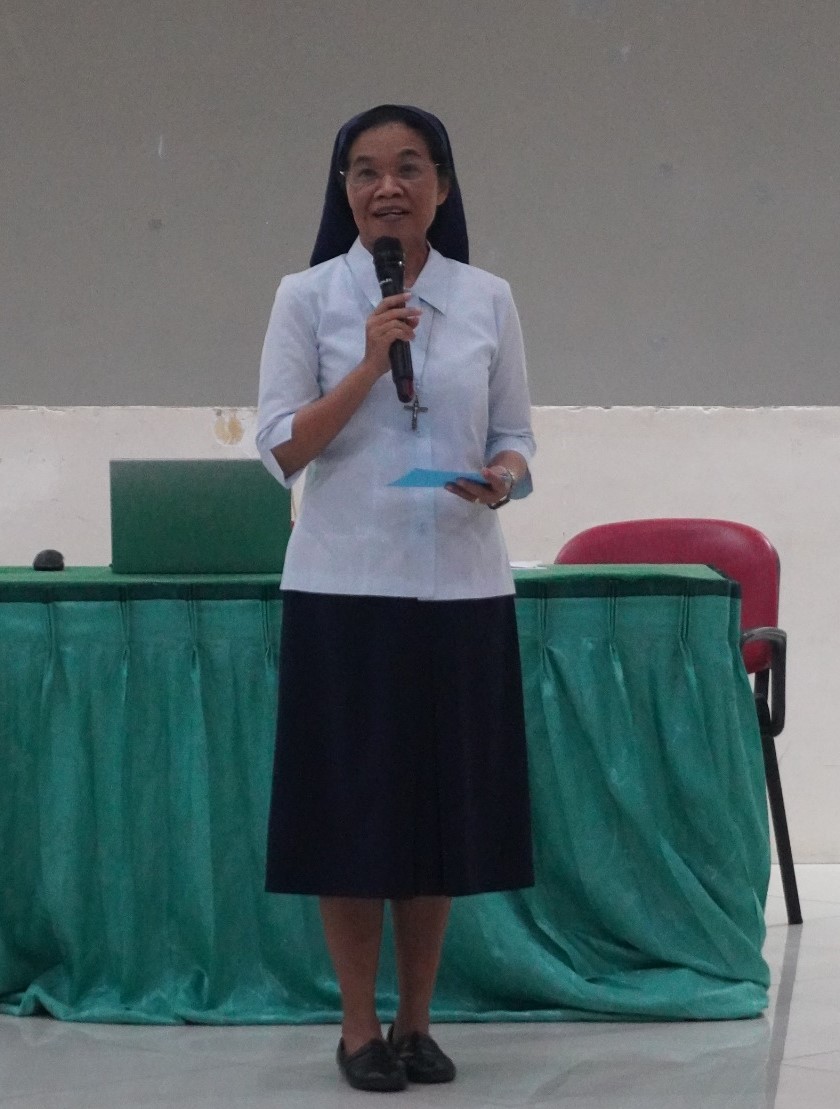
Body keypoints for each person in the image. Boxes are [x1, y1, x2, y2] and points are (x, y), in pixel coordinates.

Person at [256, 104, 536, 1094]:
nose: (388, 187)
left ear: (443, 187)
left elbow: (517, 439)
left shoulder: (487, 297)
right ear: (343, 192)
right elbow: (281, 447)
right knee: (350, 816)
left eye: (410, 167)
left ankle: (417, 1021)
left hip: (462, 588)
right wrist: (371, 362)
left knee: (439, 815)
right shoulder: (307, 297)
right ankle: (356, 1025)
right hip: (344, 589)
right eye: (366, 170)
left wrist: (502, 480)